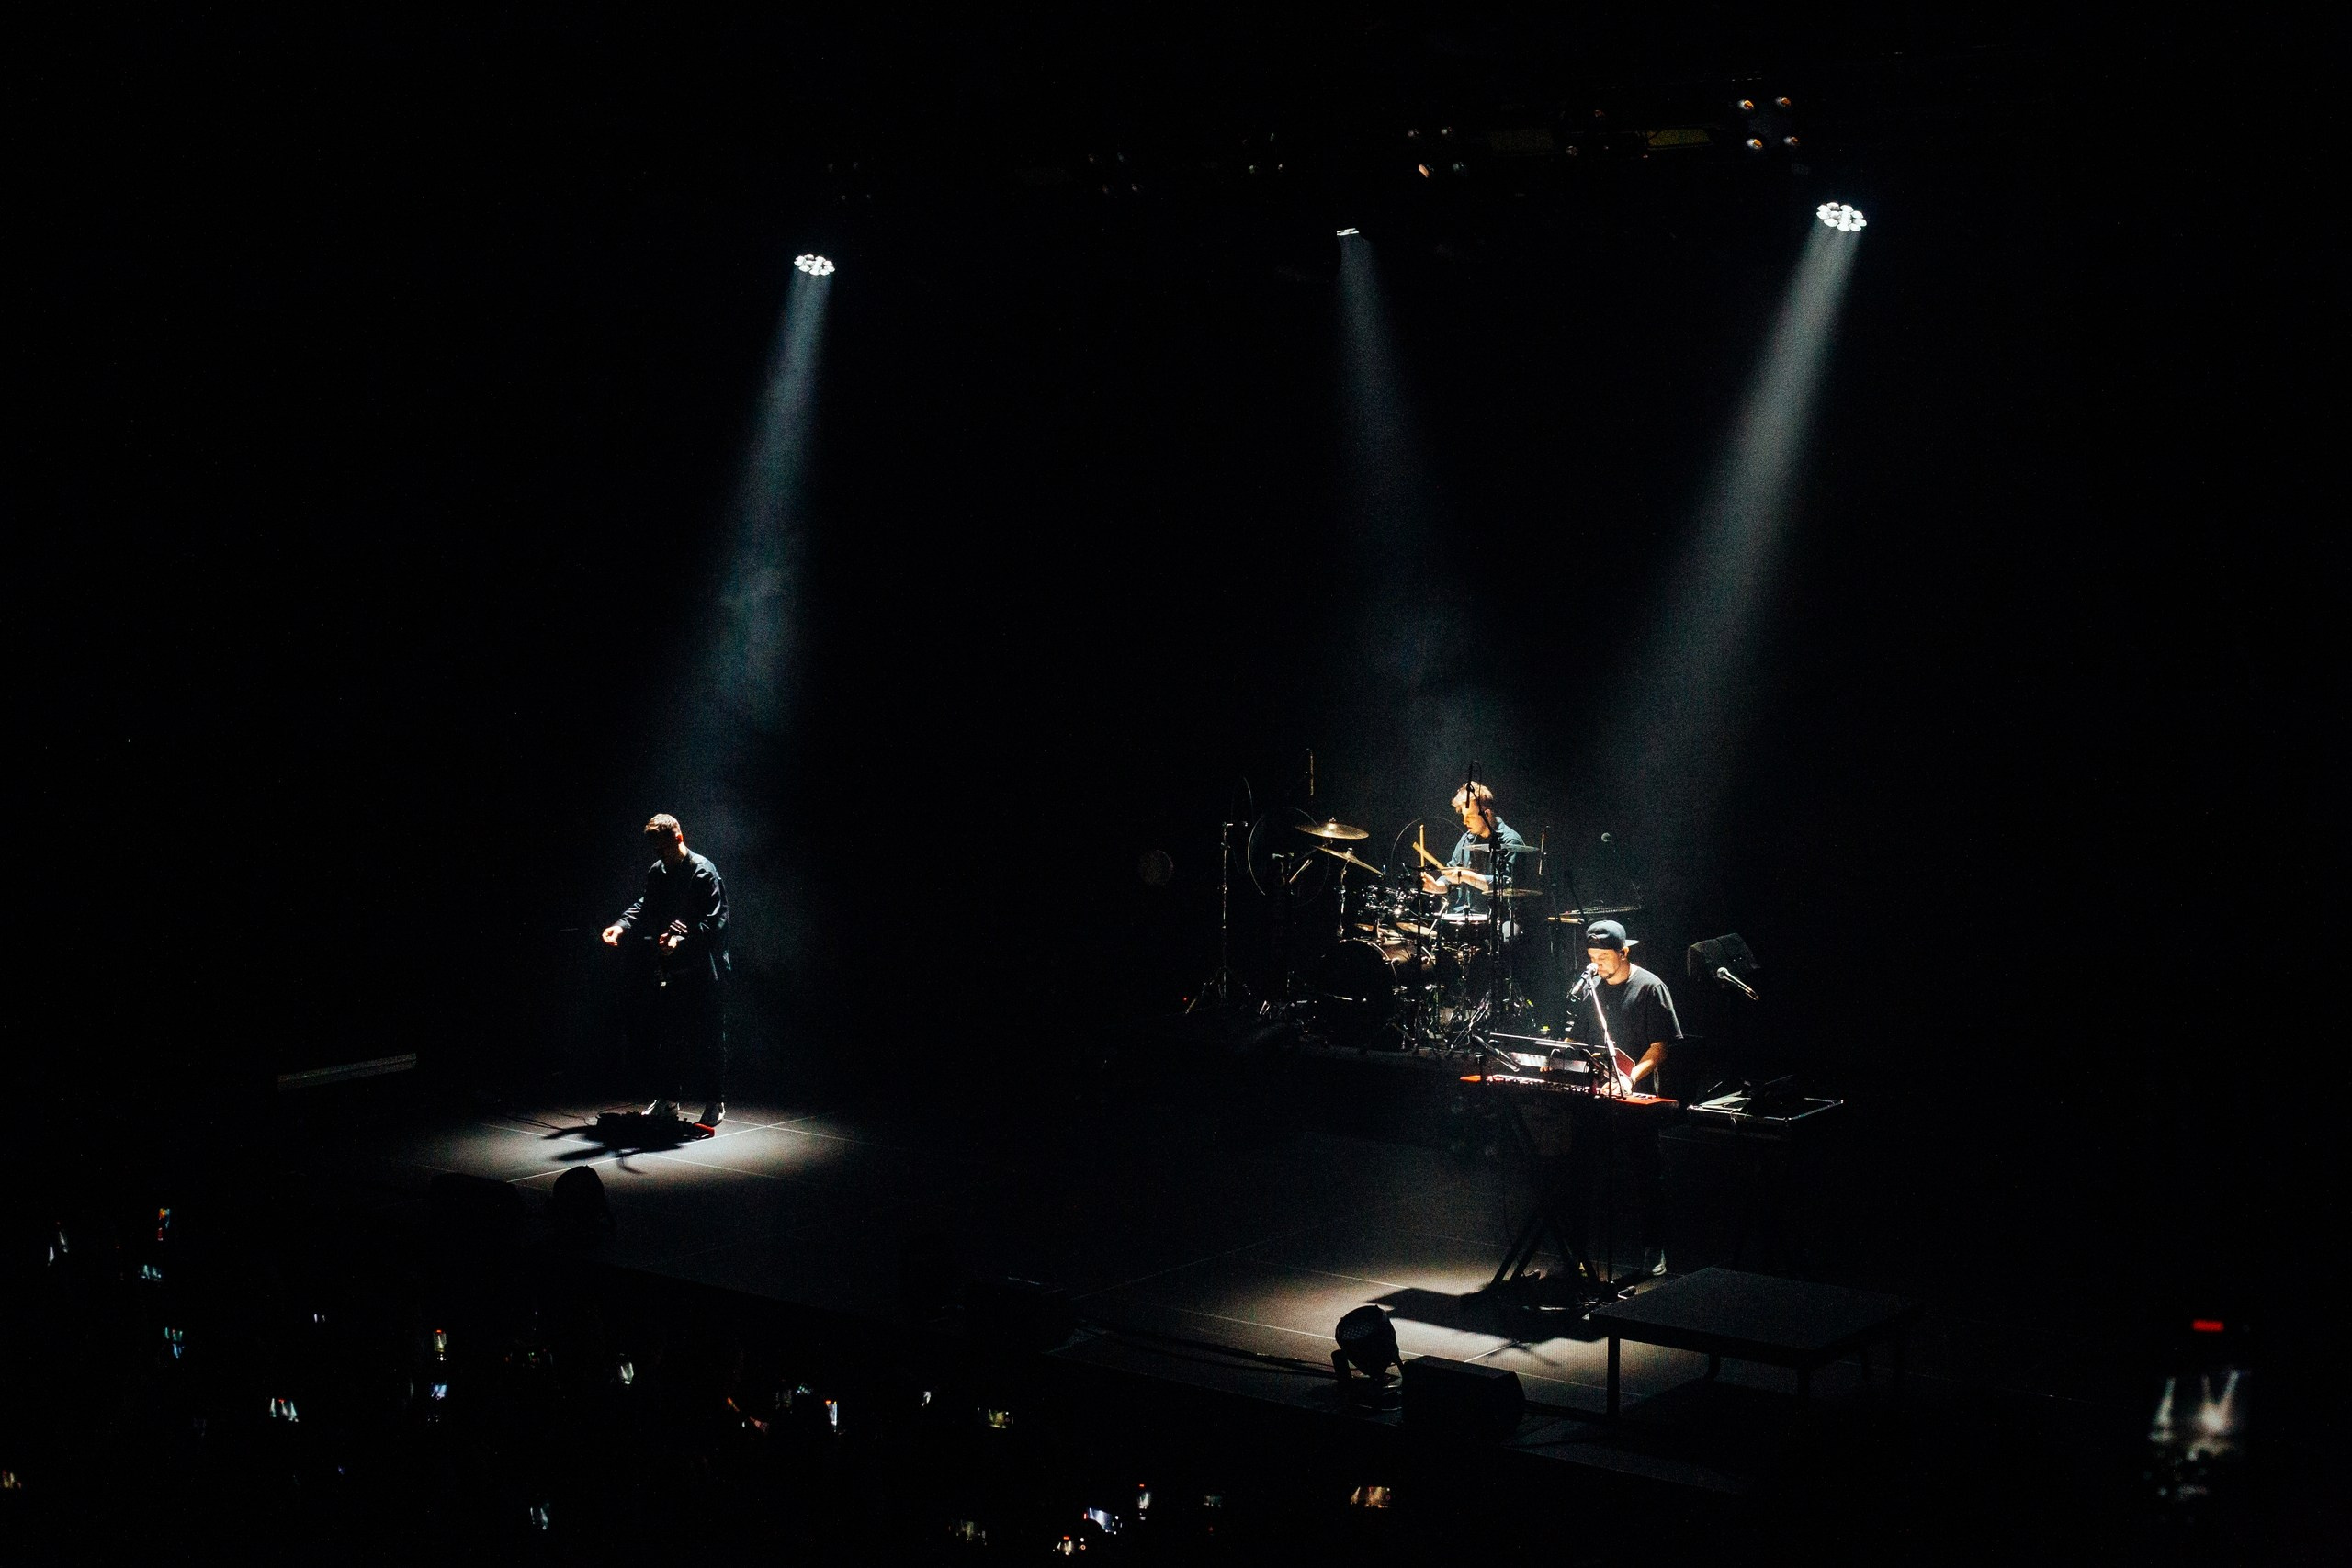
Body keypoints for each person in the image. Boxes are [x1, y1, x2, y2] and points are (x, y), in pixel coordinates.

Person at [1568, 918, 1682, 1274]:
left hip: (1636, 1093)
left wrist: (1630, 1076)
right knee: (1582, 1169)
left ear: (1623, 952)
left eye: (1603, 957)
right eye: (1592, 958)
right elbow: (1576, 1040)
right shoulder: (1591, 989)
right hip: (1596, 1092)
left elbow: (1660, 1047)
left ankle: (1654, 1247)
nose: (1597, 965)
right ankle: (1577, 1251)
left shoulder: (1650, 987)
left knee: (1646, 1172)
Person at [601, 813, 729, 1127]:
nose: (661, 856)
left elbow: (714, 924)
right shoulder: (659, 871)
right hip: (673, 967)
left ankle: (715, 1101)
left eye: (664, 849)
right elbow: (646, 904)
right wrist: (621, 925)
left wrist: (680, 941)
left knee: (709, 1036)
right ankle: (668, 1100)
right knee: (670, 1035)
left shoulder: (703, 872)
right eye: (656, 850)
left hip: (705, 967)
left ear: (679, 838)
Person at [1419, 781, 1529, 911]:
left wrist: (1465, 875)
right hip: (1466, 912)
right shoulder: (1466, 839)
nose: (1464, 821)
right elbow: (1451, 874)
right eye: (1464, 816)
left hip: (1500, 915)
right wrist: (1437, 886)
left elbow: (1506, 885)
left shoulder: (1511, 841)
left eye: (1470, 816)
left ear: (1487, 814)